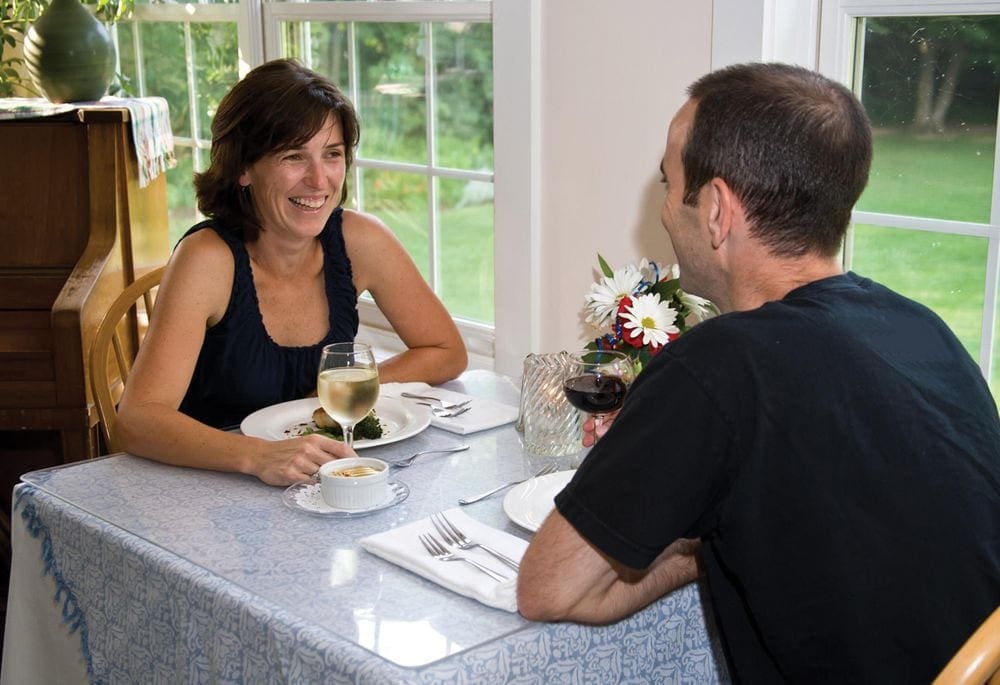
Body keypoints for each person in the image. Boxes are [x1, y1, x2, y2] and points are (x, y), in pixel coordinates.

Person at [517, 62, 1000, 682]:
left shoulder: (721, 363)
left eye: (669, 183)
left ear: (716, 210)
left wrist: (695, 548)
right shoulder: (920, 326)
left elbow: (550, 588)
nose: (665, 211)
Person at [116, 59, 467, 486]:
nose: (319, 180)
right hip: (208, 486)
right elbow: (137, 420)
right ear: (243, 168)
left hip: (317, 477)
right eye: (293, 156)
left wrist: (333, 394)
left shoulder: (360, 239)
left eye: (332, 154)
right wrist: (257, 457)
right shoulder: (206, 258)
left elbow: (446, 350)